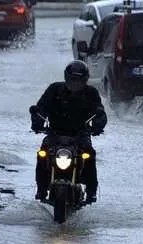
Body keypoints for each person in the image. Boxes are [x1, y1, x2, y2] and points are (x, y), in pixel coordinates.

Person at [30, 60, 107, 204]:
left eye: (79, 81)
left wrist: (97, 125)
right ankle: (41, 188)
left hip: (80, 135)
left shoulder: (91, 93)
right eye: (72, 80)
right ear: (66, 78)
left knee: (89, 154)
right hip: (55, 133)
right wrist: (37, 121)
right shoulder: (54, 90)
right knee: (43, 153)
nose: (75, 84)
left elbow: (100, 113)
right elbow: (41, 108)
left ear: (85, 80)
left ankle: (91, 191)